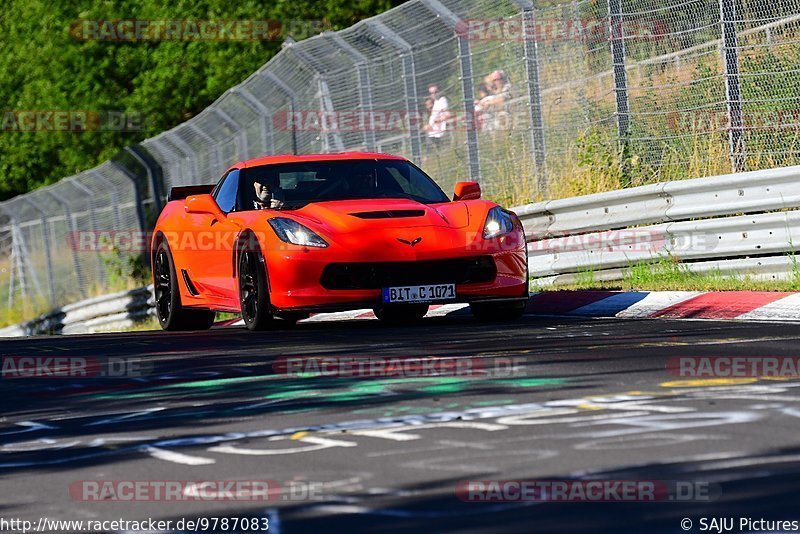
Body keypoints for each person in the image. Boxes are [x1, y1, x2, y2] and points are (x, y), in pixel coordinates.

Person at [424, 84, 451, 149]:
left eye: (435, 92)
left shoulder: (442, 100)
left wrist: (440, 119)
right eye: (431, 93)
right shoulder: (435, 102)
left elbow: (448, 114)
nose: (434, 94)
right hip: (432, 133)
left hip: (439, 133)